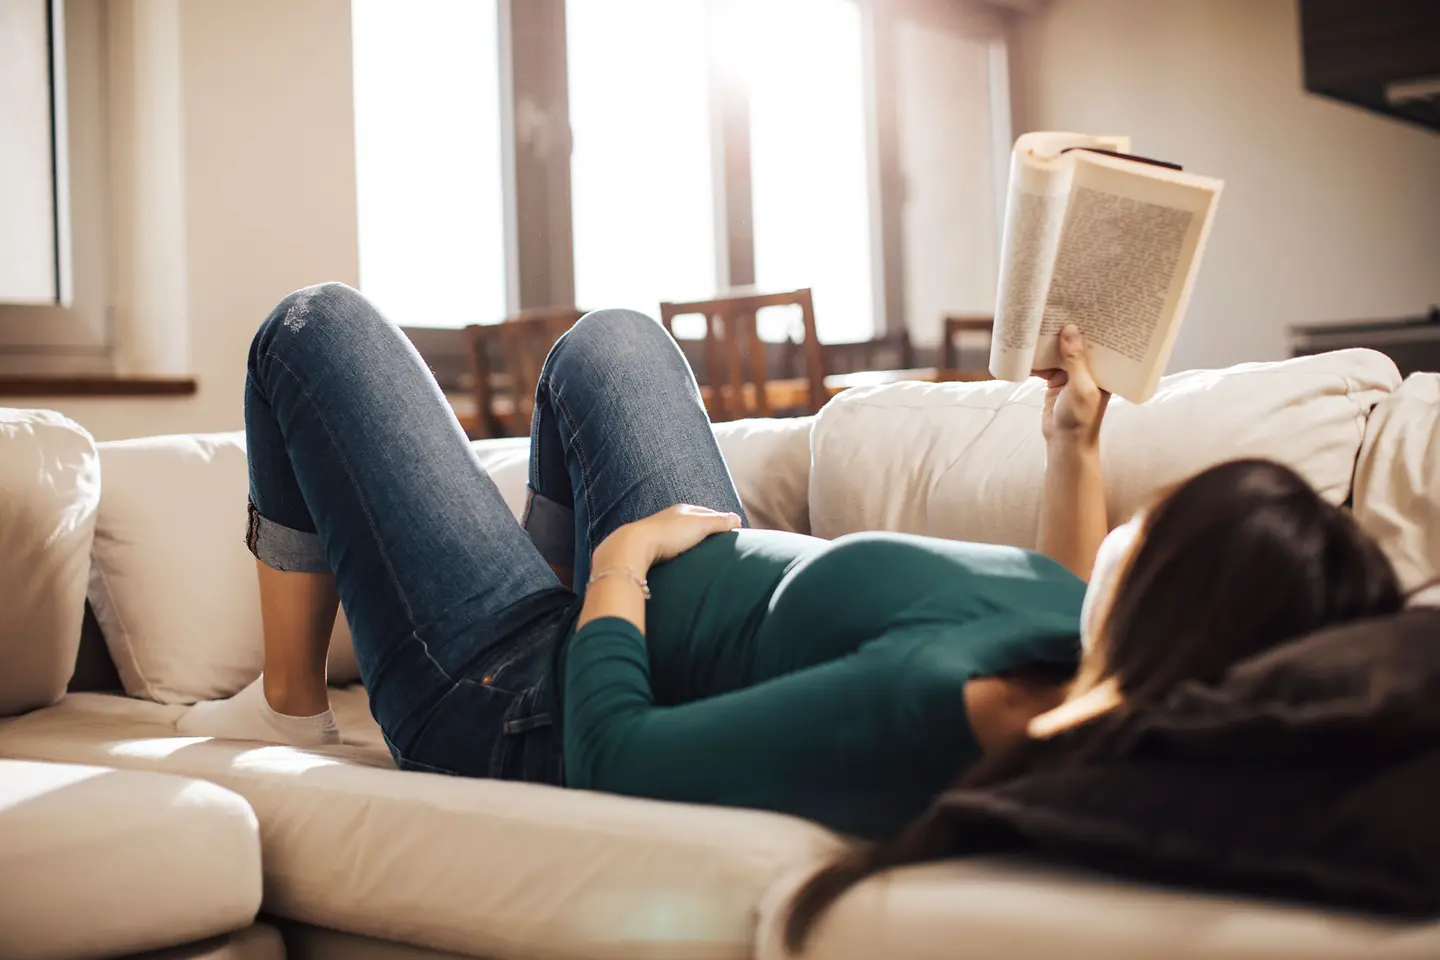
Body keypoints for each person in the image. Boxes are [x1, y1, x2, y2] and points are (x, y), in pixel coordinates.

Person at [178, 283, 1401, 848]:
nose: (1144, 521)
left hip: (530, 704)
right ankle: (531, 594)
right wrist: (1071, 442)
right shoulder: (1083, 656)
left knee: (309, 331)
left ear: (1178, 595)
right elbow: (1065, 589)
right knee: (616, 339)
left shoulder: (945, 701)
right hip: (670, 585)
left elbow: (618, 759)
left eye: (1163, 525)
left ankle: (292, 706)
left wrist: (614, 579)